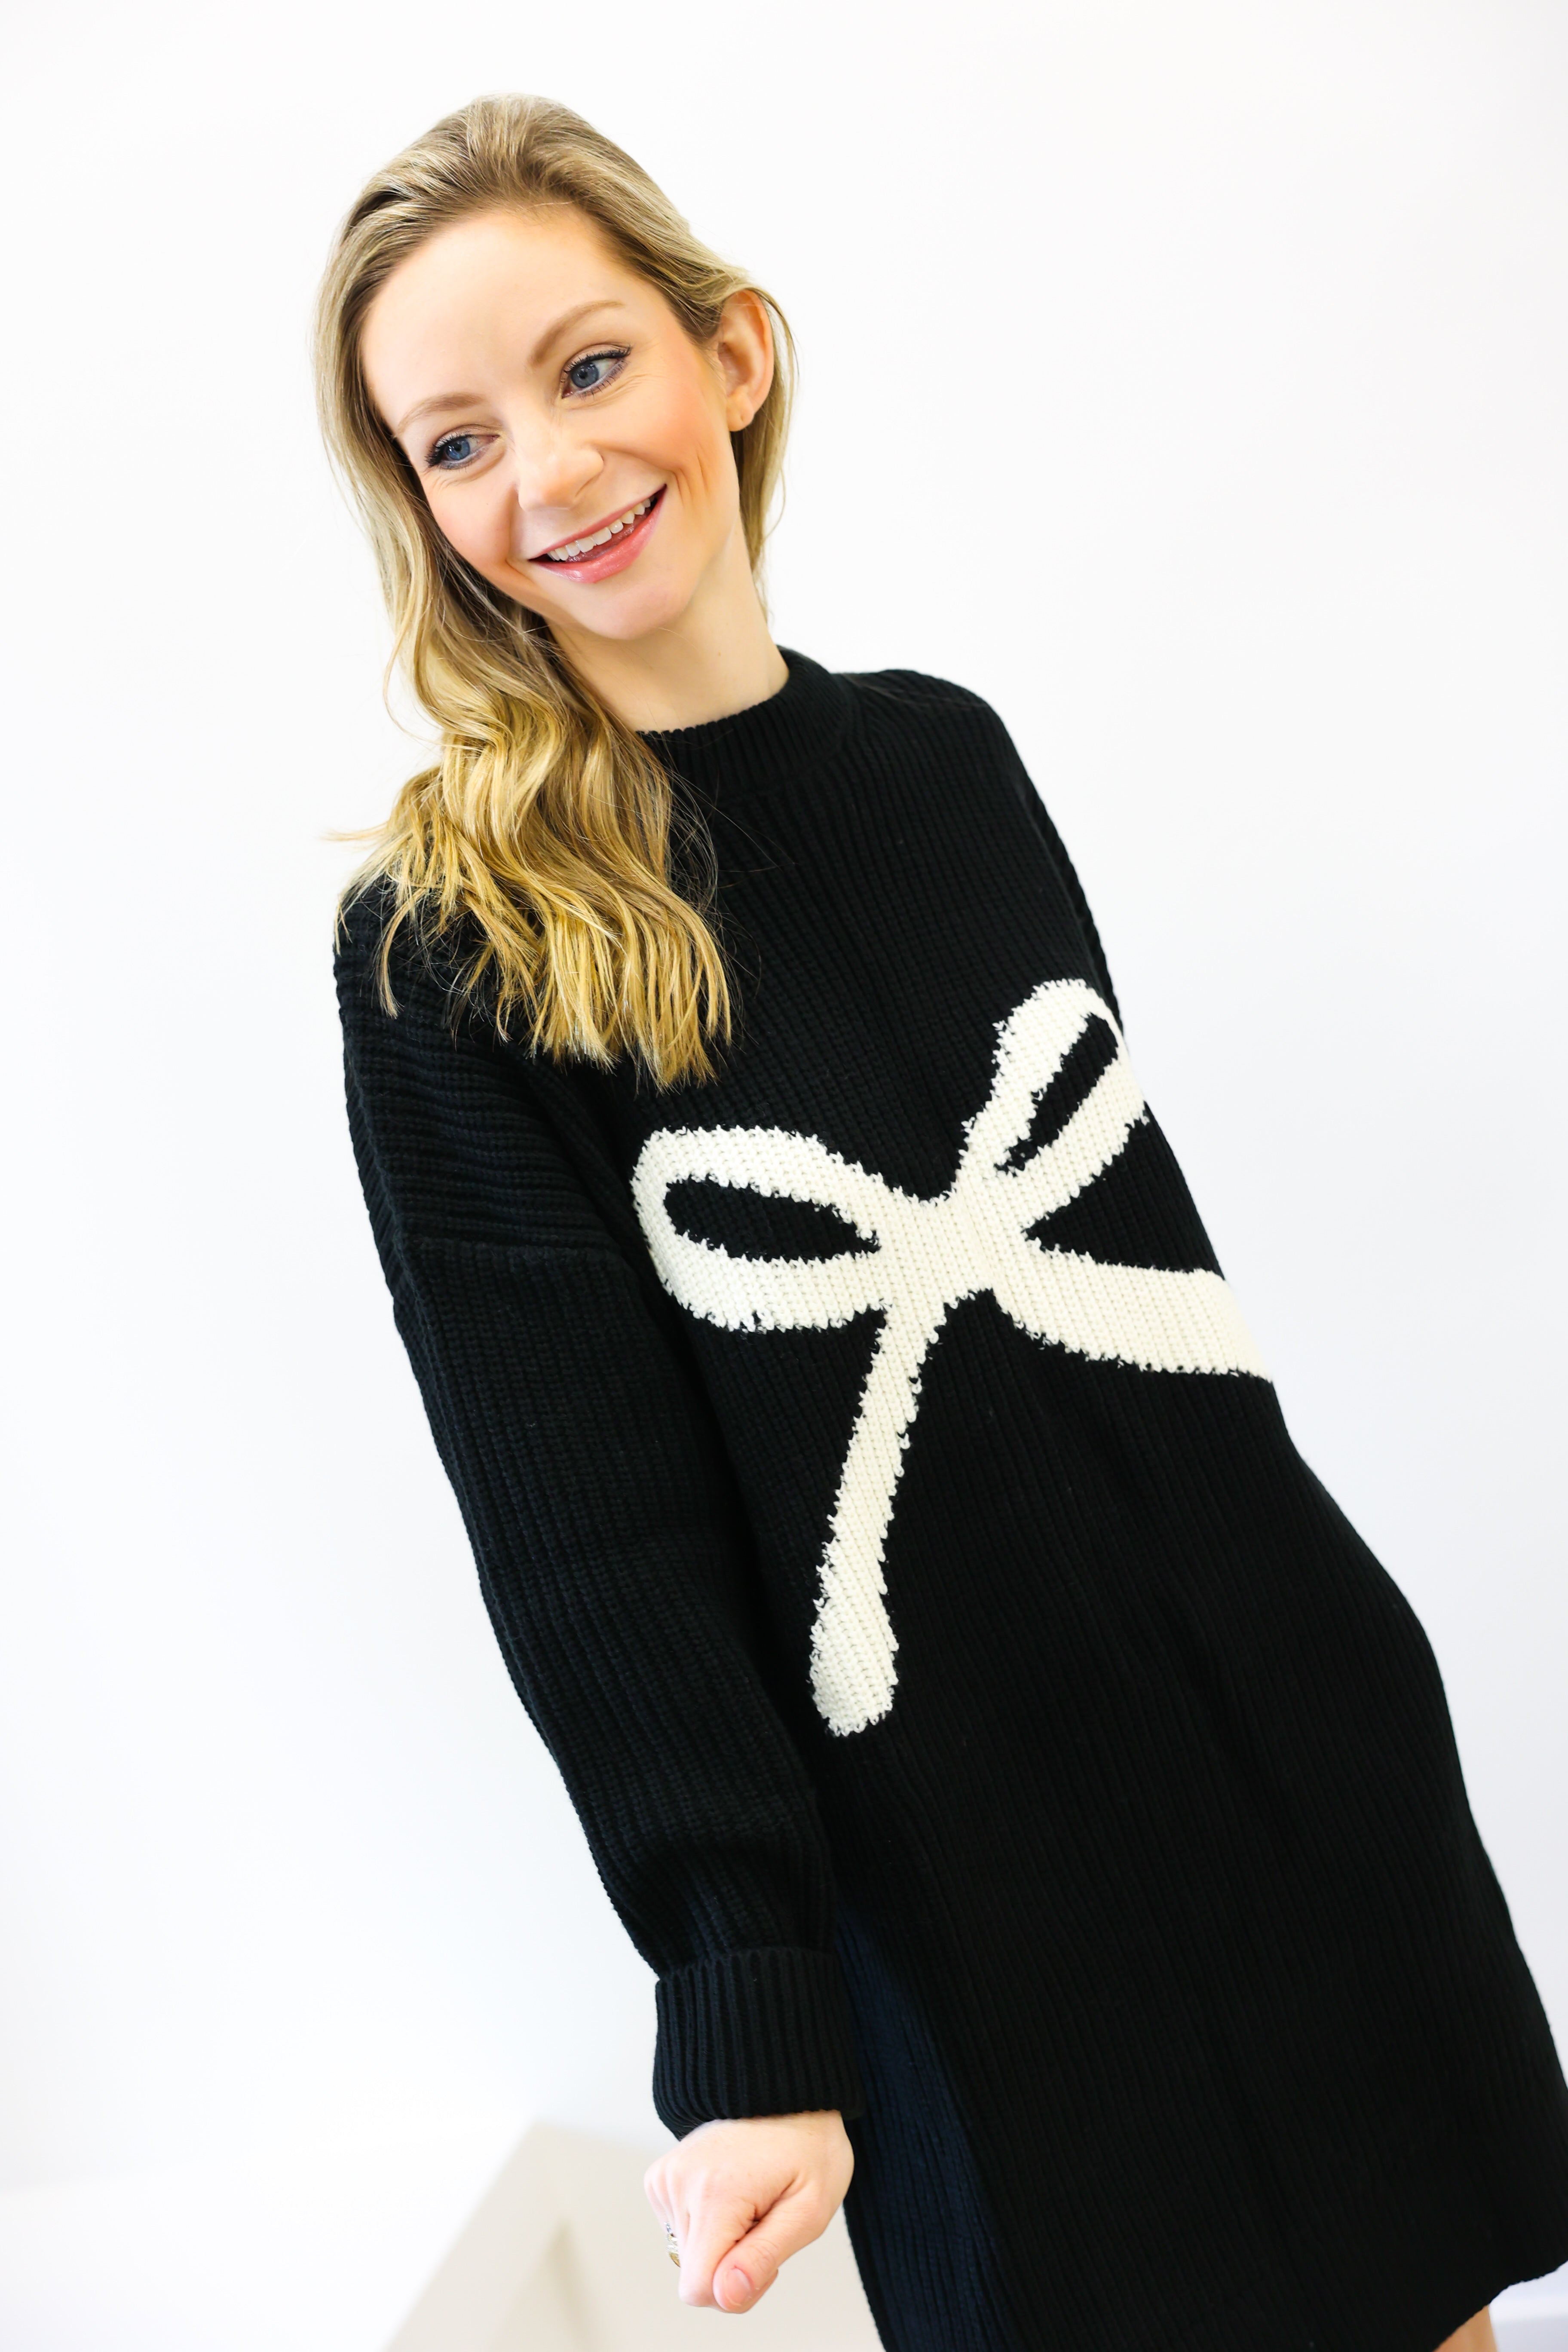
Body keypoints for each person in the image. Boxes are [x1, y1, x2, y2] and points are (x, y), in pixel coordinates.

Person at [317, 93, 1568, 2352]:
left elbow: (1142, 1275)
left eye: (592, 370)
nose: (553, 474)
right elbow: (587, 1540)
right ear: (420, 509)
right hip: (960, 1880)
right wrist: (753, 2010)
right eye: (457, 440)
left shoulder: (946, 764)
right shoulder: (461, 949)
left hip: (1283, 1733)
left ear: (736, 354)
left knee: (1439, 2318)